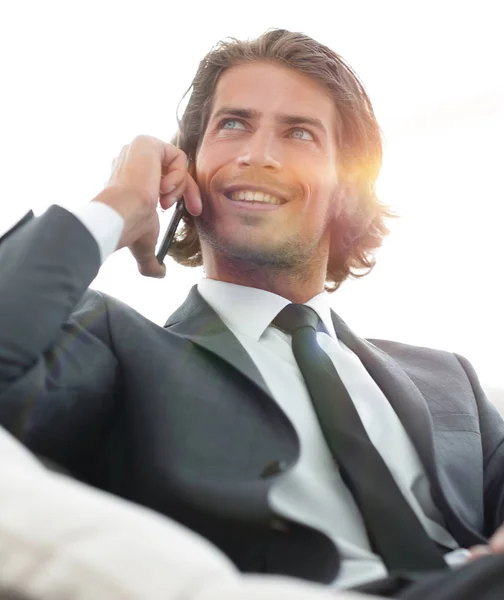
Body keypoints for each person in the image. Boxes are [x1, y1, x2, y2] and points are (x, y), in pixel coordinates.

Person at [1, 28, 504, 599]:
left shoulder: (450, 381)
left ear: (346, 187)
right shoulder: (115, 347)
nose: (258, 154)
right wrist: (117, 204)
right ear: (187, 167)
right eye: (233, 124)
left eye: (299, 133)